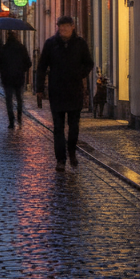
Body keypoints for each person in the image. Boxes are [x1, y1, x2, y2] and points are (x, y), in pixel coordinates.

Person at [35, 15, 94, 171]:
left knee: (74, 126)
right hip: (57, 91)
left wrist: (79, 74)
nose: (63, 30)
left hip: (75, 91)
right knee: (58, 128)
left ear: (72, 27)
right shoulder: (50, 44)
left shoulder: (80, 44)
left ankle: (72, 152)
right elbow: (41, 67)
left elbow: (89, 63)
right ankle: (60, 159)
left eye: (66, 27)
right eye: (61, 27)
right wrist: (39, 89)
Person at [0, 32, 32, 129]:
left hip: (7, 79)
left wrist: (2, 71)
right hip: (19, 78)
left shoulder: (4, 48)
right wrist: (22, 70)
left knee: (9, 100)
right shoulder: (21, 48)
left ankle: (11, 121)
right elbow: (28, 63)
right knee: (19, 99)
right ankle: (19, 118)